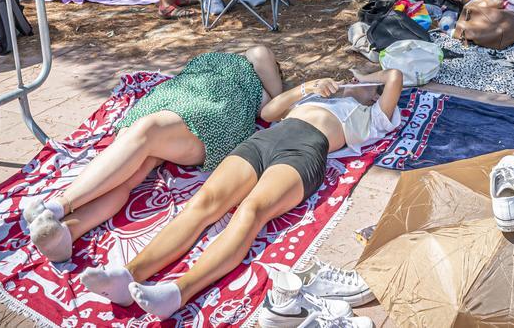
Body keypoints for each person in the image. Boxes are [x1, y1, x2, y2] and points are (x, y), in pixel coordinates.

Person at [78, 68, 406, 317]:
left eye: (370, 90)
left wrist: (365, 79)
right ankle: (129, 275)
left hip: (304, 152)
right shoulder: (315, 96)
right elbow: (269, 113)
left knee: (250, 211)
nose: (362, 89)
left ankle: (180, 291)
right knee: (204, 203)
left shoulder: (372, 118)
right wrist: (312, 86)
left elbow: (394, 75)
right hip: (263, 142)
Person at [22, 47, 295, 263]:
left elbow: (271, 101)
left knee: (145, 132)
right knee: (129, 175)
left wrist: (285, 86)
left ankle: (56, 206)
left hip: (206, 111)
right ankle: (66, 234)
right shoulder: (234, 68)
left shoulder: (255, 65)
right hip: (173, 102)